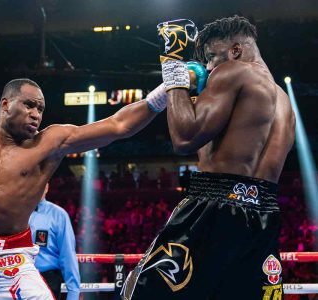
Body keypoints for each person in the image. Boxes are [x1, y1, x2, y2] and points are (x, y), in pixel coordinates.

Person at [0, 79, 168, 299]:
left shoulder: (50, 143)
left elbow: (118, 125)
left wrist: (166, 90)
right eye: (29, 105)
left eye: (41, 109)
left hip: (9, 260)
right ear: (5, 104)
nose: (36, 115)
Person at [122, 16, 295, 300]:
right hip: (264, 214)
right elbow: (223, 145)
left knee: (136, 292)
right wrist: (198, 99)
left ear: (236, 51)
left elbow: (185, 138)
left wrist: (173, 66)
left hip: (215, 207)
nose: (210, 67)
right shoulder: (284, 102)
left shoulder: (234, 72)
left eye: (213, 57)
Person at [29, 183, 80, 300]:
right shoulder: (15, 213)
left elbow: (68, 256)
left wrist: (73, 293)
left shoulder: (59, 215)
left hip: (47, 281)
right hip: (16, 280)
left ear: (46, 187)